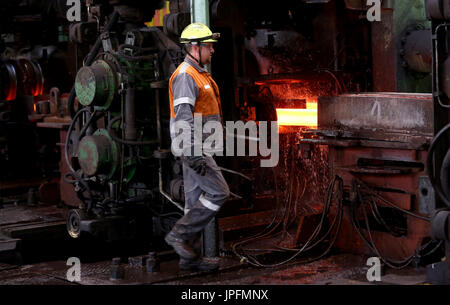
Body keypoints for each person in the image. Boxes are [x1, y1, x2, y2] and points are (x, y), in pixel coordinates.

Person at [165, 22, 230, 271]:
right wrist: (193, 153)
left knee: (193, 203)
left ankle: (188, 258)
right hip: (195, 150)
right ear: (195, 47)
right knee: (219, 192)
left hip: (199, 149)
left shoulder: (199, 74)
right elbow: (183, 117)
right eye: (209, 47)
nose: (212, 51)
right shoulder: (185, 76)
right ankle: (179, 236)